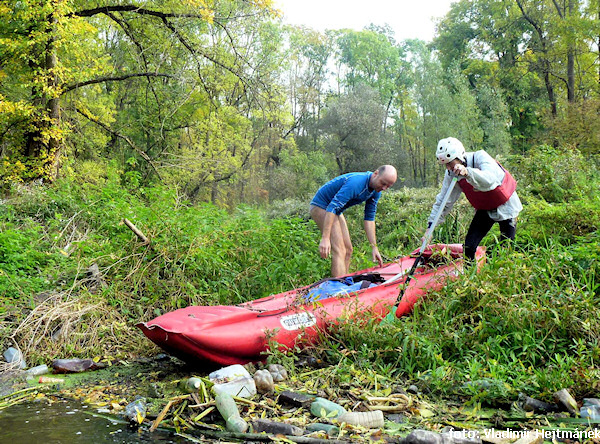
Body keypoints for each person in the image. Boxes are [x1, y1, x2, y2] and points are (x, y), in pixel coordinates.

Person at [428, 137, 522, 261]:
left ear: (459, 157)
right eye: (445, 164)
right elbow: (444, 200)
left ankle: (506, 274)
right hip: (485, 208)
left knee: (507, 248)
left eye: (450, 163)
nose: (448, 168)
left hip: (506, 205)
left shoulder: (480, 157)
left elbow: (490, 180)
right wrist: (430, 228)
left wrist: (468, 173)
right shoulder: (451, 173)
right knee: (469, 247)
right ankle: (469, 276)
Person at [310, 165, 397, 277]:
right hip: (322, 206)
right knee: (339, 249)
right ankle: (338, 290)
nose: (384, 188)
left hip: (335, 210)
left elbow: (369, 218)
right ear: (375, 174)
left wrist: (374, 247)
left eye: (388, 186)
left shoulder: (376, 190)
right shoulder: (356, 183)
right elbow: (332, 207)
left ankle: (345, 283)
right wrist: (325, 238)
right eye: (383, 183)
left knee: (348, 249)